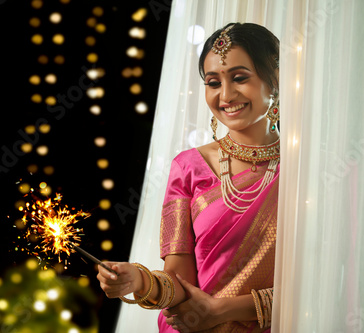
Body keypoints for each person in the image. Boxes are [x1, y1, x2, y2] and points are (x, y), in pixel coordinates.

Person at [97, 22, 280, 332]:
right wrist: (138, 279)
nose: (226, 94)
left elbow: (324, 283)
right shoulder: (189, 167)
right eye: (212, 82)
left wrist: (222, 310)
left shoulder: (307, 171)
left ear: (275, 80)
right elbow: (179, 282)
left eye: (240, 78)